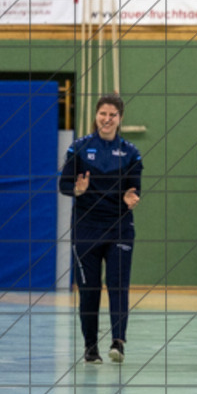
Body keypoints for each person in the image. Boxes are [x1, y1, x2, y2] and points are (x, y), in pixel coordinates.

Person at [58, 94, 142, 364]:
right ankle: (90, 347)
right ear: (96, 116)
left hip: (119, 228)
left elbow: (135, 188)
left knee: (118, 285)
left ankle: (118, 342)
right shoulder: (79, 148)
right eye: (103, 114)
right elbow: (64, 185)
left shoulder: (131, 153)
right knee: (89, 289)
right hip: (86, 229)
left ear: (120, 118)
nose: (107, 119)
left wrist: (131, 197)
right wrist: (77, 189)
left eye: (112, 115)